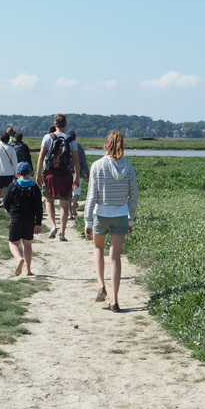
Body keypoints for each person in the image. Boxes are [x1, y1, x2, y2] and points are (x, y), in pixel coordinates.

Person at [84, 131, 138, 312]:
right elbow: (133, 196)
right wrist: (130, 219)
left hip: (101, 214)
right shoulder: (129, 168)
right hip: (121, 214)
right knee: (115, 257)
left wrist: (87, 221)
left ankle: (101, 285)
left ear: (105, 146)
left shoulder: (97, 166)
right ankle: (114, 301)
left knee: (98, 248)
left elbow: (92, 196)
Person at [36, 113, 80, 242]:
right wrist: (76, 177)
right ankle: (62, 233)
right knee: (64, 205)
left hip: (49, 174)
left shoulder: (47, 137)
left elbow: (41, 157)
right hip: (65, 174)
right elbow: (76, 161)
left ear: (55, 124)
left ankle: (53, 225)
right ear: (65, 125)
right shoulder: (71, 140)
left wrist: (38, 174)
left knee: (49, 201)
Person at [3, 162, 43, 276]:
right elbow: (38, 207)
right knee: (27, 244)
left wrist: (11, 213)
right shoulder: (35, 187)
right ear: (31, 173)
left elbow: (6, 202)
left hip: (16, 218)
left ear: (17, 173)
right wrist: (38, 223)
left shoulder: (13, 186)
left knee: (13, 243)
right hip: (30, 219)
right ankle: (28, 270)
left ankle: (19, 259)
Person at [0, 133, 17, 210]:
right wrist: (16, 173)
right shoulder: (11, 149)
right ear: (8, 140)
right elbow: (15, 162)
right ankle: (6, 205)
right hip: (9, 172)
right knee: (7, 190)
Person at [66, 131, 89, 219]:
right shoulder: (79, 147)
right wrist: (87, 174)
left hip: (66, 172)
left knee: (68, 193)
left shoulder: (65, 146)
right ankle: (74, 204)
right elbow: (84, 162)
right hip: (77, 172)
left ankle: (70, 214)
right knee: (77, 191)